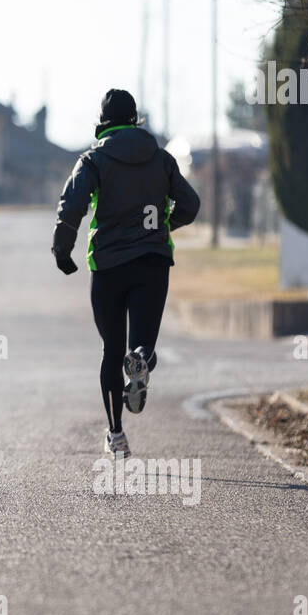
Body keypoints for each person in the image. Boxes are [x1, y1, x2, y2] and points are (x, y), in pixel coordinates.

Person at [52, 89, 201, 459]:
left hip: (108, 266)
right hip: (152, 261)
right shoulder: (162, 159)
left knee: (110, 350)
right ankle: (140, 360)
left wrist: (62, 248)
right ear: (136, 120)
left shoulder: (93, 159)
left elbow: (71, 205)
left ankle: (116, 435)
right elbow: (191, 204)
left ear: (102, 123)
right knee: (142, 346)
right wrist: (163, 225)